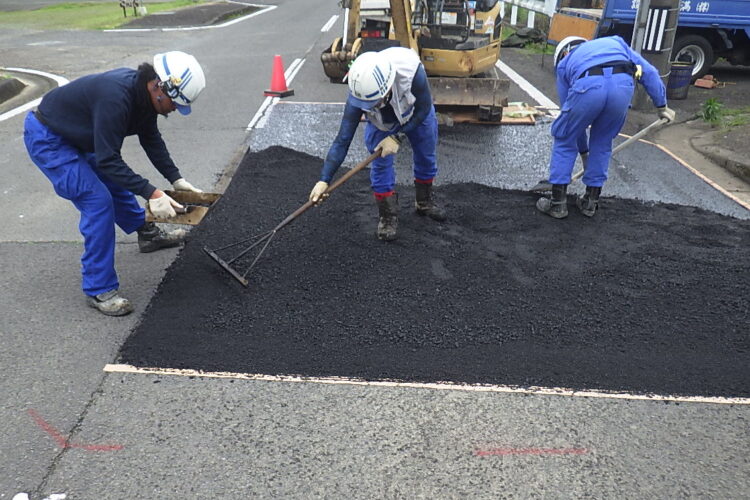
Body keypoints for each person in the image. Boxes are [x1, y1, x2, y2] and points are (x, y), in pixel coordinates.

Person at [23, 51, 206, 316]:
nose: (176, 108)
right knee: (97, 201)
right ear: (158, 86)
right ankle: (99, 289)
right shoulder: (116, 97)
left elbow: (151, 139)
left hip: (81, 135)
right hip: (50, 138)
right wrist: (153, 193)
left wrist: (176, 179)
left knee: (116, 184)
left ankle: (147, 235)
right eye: (175, 102)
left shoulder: (144, 97)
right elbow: (109, 159)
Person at [308, 47, 446, 241]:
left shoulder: (411, 72)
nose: (367, 107)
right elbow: (342, 140)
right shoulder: (359, 93)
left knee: (425, 154)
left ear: (387, 88)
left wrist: (397, 136)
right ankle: (387, 216)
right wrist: (324, 179)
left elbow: (423, 108)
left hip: (415, 114)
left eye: (373, 102)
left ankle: (424, 202)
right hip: (381, 124)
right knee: (381, 166)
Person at [536, 35, 676, 219]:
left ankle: (557, 204)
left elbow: (570, 125)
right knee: (602, 142)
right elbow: (648, 72)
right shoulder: (617, 43)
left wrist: (583, 151)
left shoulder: (565, 64)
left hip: (588, 86)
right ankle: (590, 203)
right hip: (622, 87)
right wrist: (662, 106)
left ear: (563, 52)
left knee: (564, 137)